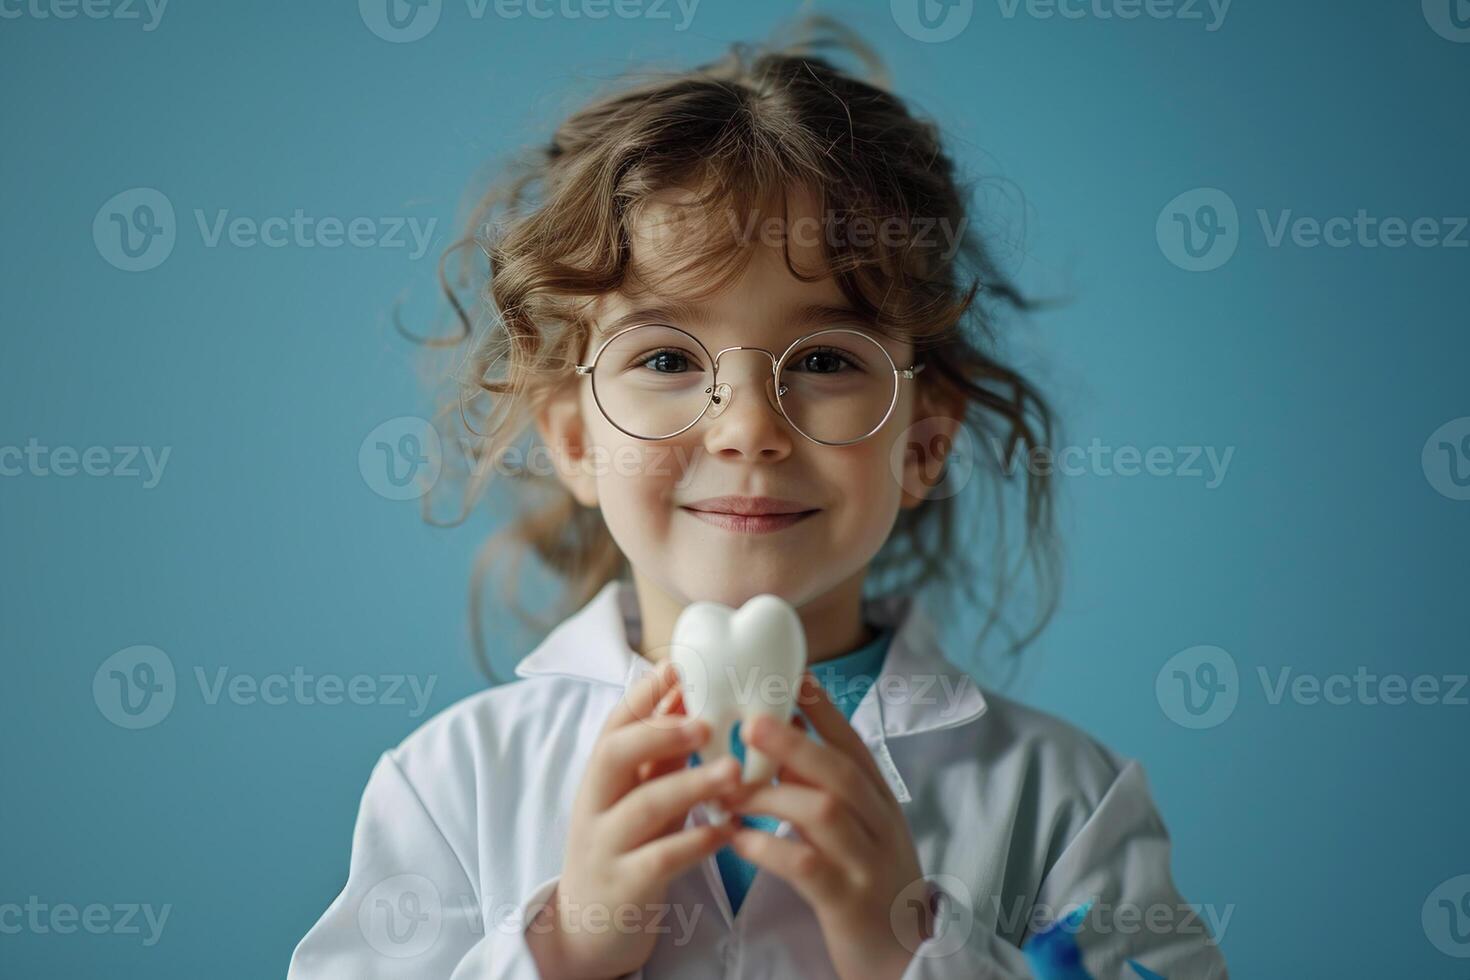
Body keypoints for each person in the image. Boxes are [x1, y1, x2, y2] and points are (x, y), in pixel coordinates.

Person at [288, 17, 1228, 980]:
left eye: (823, 359)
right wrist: (562, 948)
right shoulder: (451, 786)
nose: (747, 427)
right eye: (665, 358)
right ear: (573, 438)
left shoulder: (1064, 801)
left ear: (924, 441)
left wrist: (917, 953)